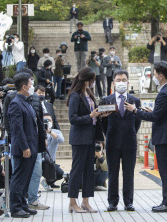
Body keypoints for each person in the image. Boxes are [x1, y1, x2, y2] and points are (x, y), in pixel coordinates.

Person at [125, 61, 167, 212]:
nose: (153, 76)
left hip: (164, 137)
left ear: (161, 76)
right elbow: (160, 114)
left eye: (154, 74)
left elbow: (155, 117)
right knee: (165, 170)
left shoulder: (164, 93)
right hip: (166, 136)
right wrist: (150, 111)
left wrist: (135, 110)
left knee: (165, 172)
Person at [100, 70, 141, 212]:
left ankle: (128, 202)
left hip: (130, 142)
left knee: (128, 173)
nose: (121, 82)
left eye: (124, 80)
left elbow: (137, 122)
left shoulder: (135, 101)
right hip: (112, 142)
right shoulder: (106, 100)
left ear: (128, 82)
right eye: (118, 80)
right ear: (113, 83)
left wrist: (130, 133)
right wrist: (109, 134)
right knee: (113, 173)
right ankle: (112, 202)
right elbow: (103, 122)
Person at [8, 72, 46, 218]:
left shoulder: (27, 101)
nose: (32, 87)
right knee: (19, 178)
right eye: (30, 84)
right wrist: (25, 147)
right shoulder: (16, 103)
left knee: (26, 178)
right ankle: (16, 207)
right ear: (24, 86)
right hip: (24, 148)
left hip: (32, 146)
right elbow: (17, 129)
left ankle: (23, 204)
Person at [67, 67, 104, 213]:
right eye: (92, 80)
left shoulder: (89, 94)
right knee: (77, 170)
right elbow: (73, 119)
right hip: (79, 138)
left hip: (90, 137)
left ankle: (86, 201)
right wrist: (90, 116)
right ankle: (72, 202)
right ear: (86, 80)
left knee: (90, 170)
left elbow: (94, 115)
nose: (93, 83)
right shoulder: (75, 96)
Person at [41, 114, 64, 189]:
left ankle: (48, 182)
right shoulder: (38, 131)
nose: (47, 122)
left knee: (60, 173)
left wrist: (49, 132)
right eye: (45, 121)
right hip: (39, 161)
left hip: (50, 162)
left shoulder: (56, 131)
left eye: (49, 120)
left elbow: (61, 140)